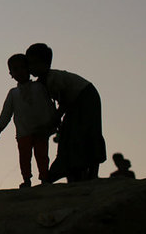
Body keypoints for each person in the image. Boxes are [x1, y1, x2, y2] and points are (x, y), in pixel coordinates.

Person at [26, 44, 106, 183]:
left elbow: (63, 103)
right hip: (76, 103)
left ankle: (91, 172)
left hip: (85, 97)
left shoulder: (52, 78)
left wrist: (54, 121)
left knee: (86, 132)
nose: (30, 67)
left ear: (45, 63)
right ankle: (74, 172)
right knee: (70, 135)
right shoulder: (41, 84)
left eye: (33, 63)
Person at [0, 53, 57, 187]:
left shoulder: (39, 87)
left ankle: (44, 178)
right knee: (24, 157)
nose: (20, 72)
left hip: (41, 130)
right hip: (23, 132)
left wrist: (54, 123)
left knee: (42, 155)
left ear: (29, 69)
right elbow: (6, 112)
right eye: (15, 69)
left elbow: (48, 105)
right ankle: (27, 180)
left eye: (23, 67)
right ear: (11, 73)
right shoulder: (13, 93)